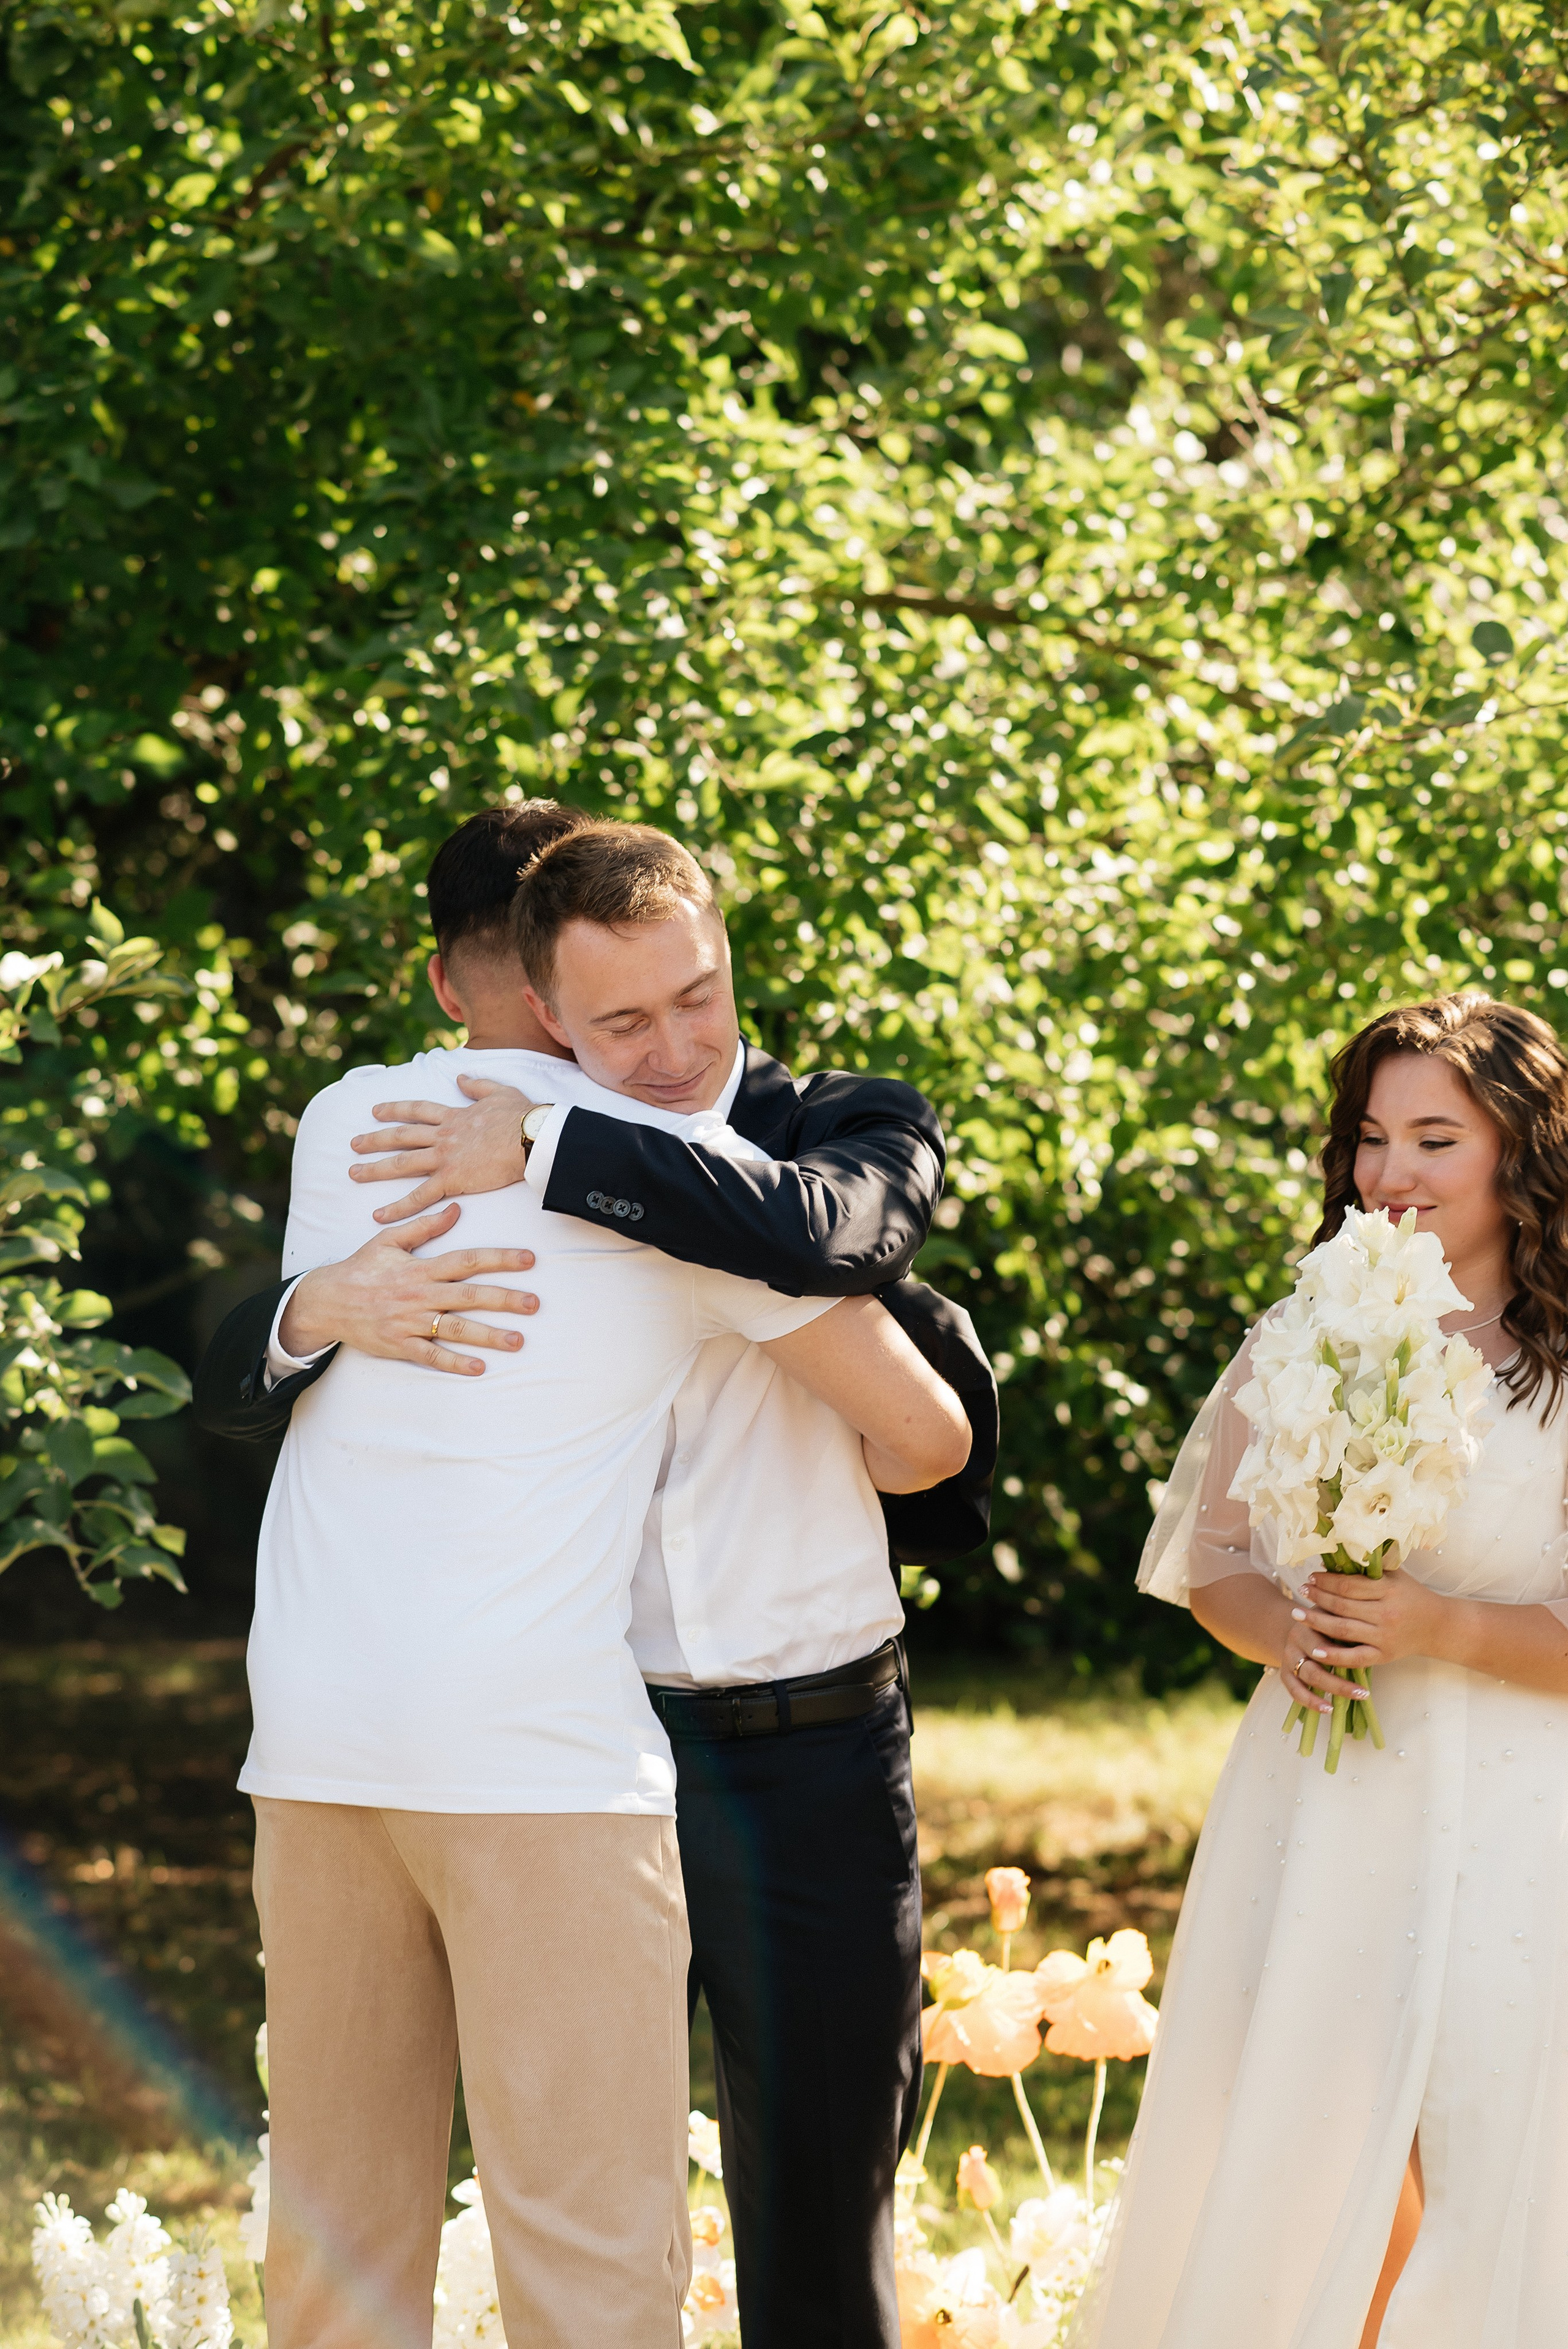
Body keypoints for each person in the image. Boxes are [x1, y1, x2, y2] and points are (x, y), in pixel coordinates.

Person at [197, 805, 995, 2349]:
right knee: (588, 2250)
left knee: (340, 2248)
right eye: (618, 1018)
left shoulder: (347, 1120)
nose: (669, 1043)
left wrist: (371, 1273)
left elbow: (855, 1228)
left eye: (694, 998)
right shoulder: (677, 1186)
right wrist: (323, 1307)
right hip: (551, 1754)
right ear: (534, 1005)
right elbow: (925, 1435)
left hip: (348, 1738)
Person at [1072, 994, 1568, 2349]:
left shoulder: (1561, 1362)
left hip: (1524, 1811)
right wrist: (1278, 1631)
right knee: (1314, 2144)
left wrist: (1438, 1627)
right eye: (1367, 1139)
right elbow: (1216, 1560)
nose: (1388, 1175)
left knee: (1482, 2143)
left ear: (1519, 1148)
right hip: (1325, 1797)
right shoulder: (1314, 1325)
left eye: (1430, 1138)